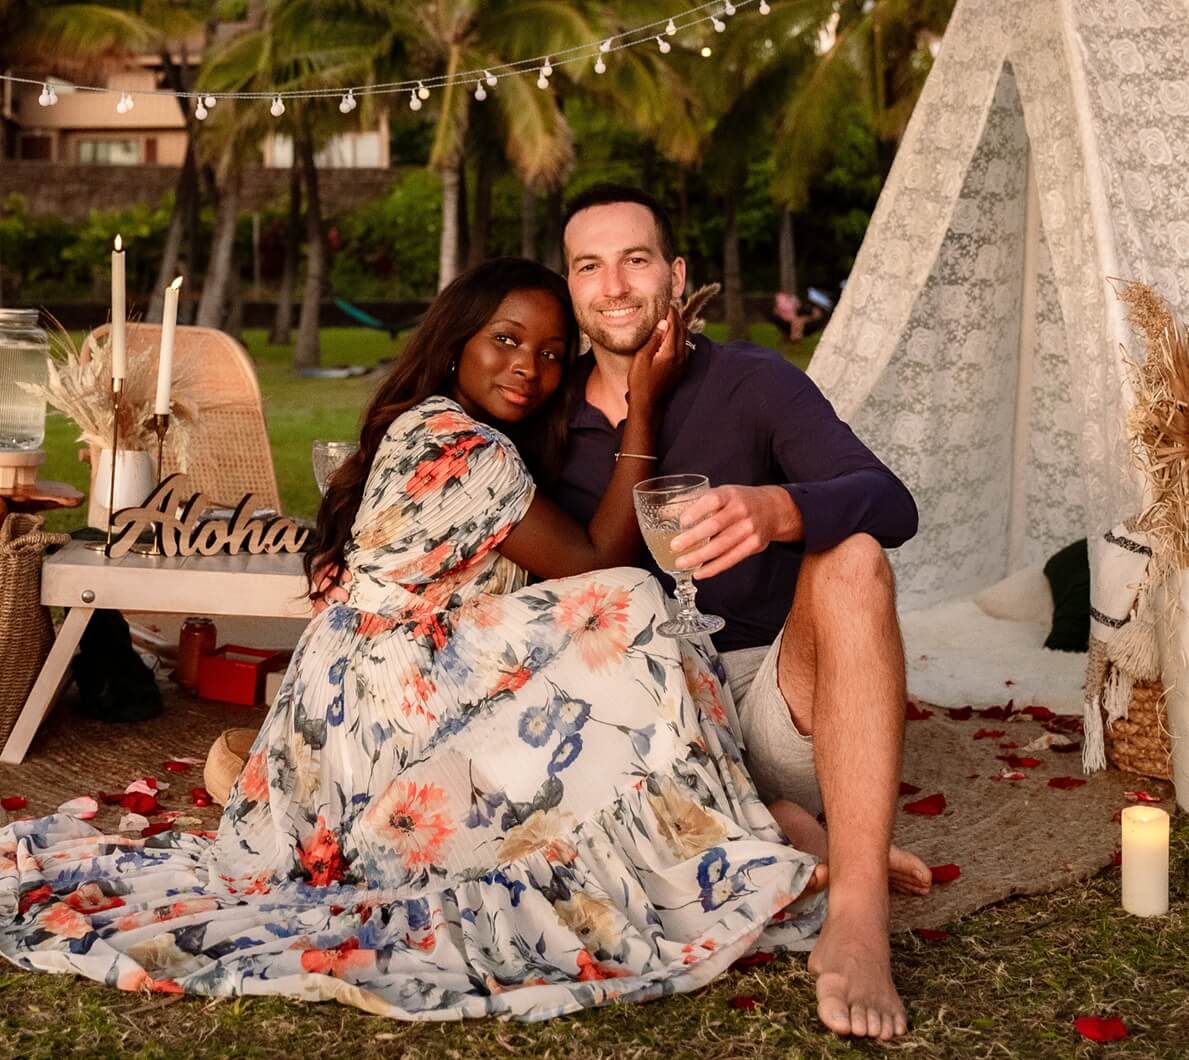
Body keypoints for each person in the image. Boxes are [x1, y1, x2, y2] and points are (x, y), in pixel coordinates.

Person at [0, 258, 825, 1020]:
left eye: (547, 354)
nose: (527, 370)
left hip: (395, 691)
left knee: (633, 638)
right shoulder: (452, 441)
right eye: (505, 340)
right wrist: (644, 404)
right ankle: (742, 827)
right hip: (382, 718)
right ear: (453, 341)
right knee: (633, 601)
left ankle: (737, 825)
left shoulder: (444, 430)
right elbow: (596, 562)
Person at [554, 185, 931, 1041]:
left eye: (635, 259)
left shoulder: (752, 380)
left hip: (767, 695)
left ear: (676, 274)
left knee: (858, 553)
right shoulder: (544, 412)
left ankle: (858, 916)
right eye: (589, 265)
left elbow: (890, 501)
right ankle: (783, 828)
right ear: (570, 287)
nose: (613, 284)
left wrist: (779, 510)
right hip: (633, 722)